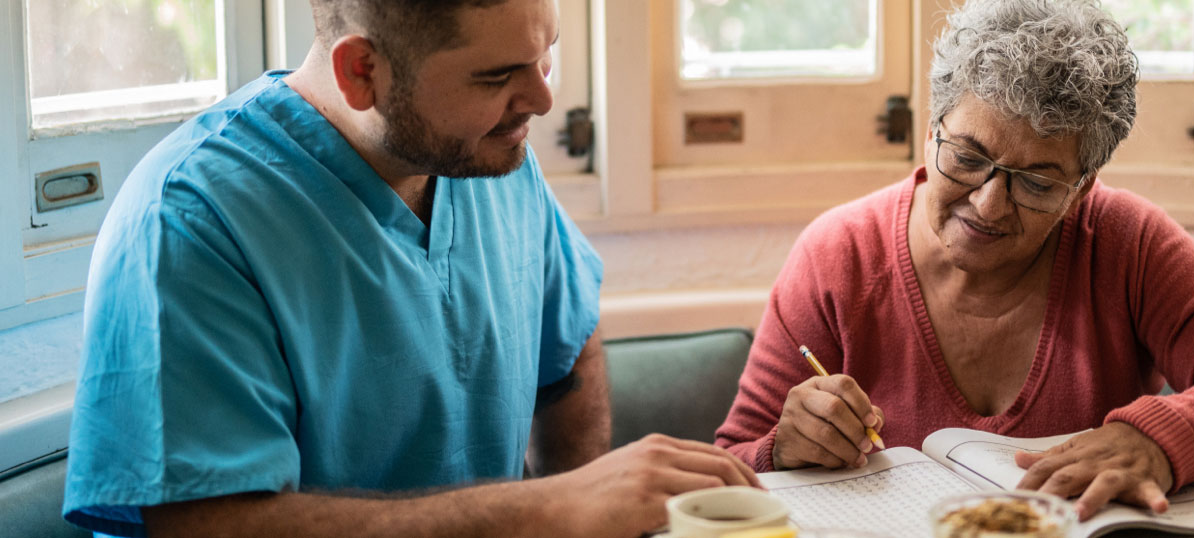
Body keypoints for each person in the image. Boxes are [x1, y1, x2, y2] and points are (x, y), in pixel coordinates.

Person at [63, 1, 758, 536]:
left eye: (545, 56)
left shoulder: (489, 154)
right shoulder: (190, 221)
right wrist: (551, 509)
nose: (542, 101)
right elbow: (206, 526)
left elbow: (569, 345)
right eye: (497, 76)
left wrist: (583, 508)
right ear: (361, 70)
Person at [716, 0, 1194, 523]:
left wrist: (1160, 439)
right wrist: (780, 450)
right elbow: (728, 466)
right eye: (968, 159)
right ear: (930, 133)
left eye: (1039, 183)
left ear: (1082, 188)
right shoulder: (839, 257)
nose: (989, 204)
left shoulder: (1130, 246)